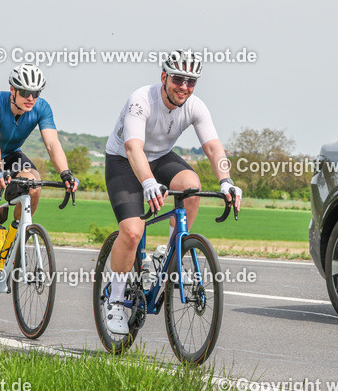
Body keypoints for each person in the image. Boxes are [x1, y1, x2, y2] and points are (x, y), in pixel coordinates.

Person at [102, 49, 241, 335]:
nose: (184, 87)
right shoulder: (141, 100)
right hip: (124, 160)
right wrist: (149, 183)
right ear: (164, 77)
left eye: (191, 82)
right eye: (179, 79)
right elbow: (133, 148)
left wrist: (226, 180)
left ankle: (168, 251)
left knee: (191, 185)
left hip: (161, 156)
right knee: (131, 232)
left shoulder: (195, 106)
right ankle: (115, 299)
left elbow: (214, 147)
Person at [0, 64, 78, 317]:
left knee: (34, 183)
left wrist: (66, 173)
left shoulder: (41, 107)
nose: (31, 98)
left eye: (36, 93)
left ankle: (16, 233)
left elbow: (51, 142)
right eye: (26, 92)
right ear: (12, 90)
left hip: (12, 156)